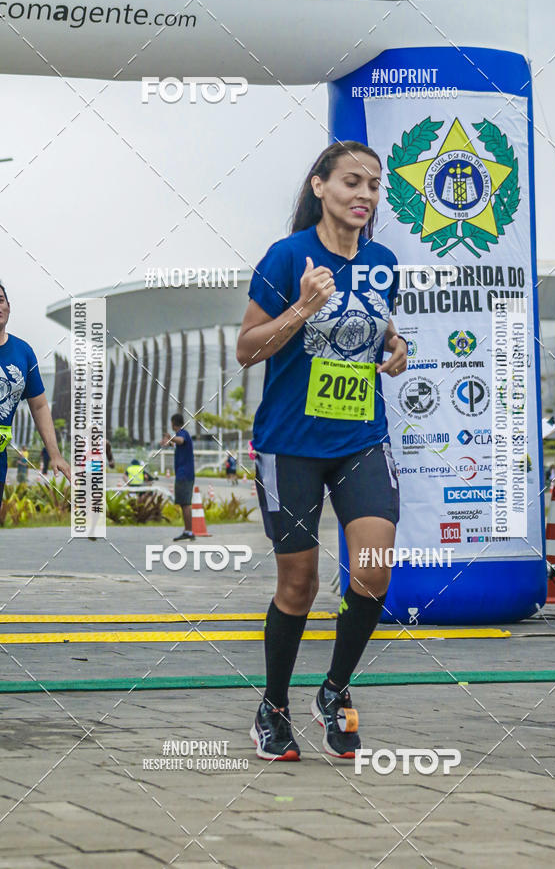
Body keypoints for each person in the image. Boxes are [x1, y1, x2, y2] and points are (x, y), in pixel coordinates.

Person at [236, 141, 407, 761]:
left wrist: (397, 344)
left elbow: (375, 324)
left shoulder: (385, 260)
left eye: (374, 186)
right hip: (291, 446)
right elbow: (247, 348)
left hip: (362, 438)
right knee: (300, 584)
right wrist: (303, 308)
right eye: (352, 182)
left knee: (372, 568)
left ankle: (334, 691)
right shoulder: (287, 257)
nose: (365, 196)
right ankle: (273, 707)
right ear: (319, 186)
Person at [0, 282, 70, 505]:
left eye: (0, 300)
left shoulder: (23, 352)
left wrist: (55, 454)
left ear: (8, 307)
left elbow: (39, 405)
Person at [161, 413, 196, 541]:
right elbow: (178, 444)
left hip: (184, 475)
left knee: (185, 503)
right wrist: (169, 442)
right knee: (183, 503)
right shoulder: (181, 435)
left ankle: (189, 531)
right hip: (185, 474)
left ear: (173, 423)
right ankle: (188, 530)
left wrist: (170, 439)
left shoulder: (182, 433)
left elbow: (180, 440)